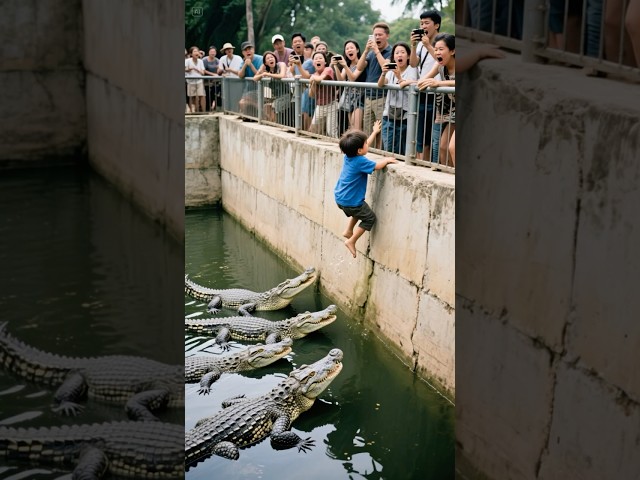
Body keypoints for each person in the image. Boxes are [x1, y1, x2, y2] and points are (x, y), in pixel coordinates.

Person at [334, 121, 398, 258]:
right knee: (369, 218)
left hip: (340, 198)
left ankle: (349, 230)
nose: (367, 144)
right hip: (350, 201)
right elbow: (378, 166)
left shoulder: (349, 156)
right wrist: (386, 160)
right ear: (359, 150)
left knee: (360, 208)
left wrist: (374, 132)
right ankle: (351, 241)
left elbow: (364, 145)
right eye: (365, 144)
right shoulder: (360, 161)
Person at [418, 33, 456, 167]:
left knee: (452, 148)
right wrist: (407, 81)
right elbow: (423, 80)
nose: (437, 52)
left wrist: (440, 83)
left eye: (441, 49)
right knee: (443, 148)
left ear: (452, 51)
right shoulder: (439, 65)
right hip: (450, 110)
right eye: (435, 49)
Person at [409, 10, 442, 161]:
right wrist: (414, 46)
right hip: (422, 92)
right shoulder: (422, 45)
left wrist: (429, 45)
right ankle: (421, 162)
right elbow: (413, 63)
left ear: (437, 25)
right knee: (420, 134)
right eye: (421, 23)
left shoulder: (443, 42)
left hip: (437, 93)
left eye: (426, 23)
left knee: (433, 135)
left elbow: (443, 61)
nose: (423, 26)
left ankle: (431, 164)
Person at [356, 22, 393, 146]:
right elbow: (359, 67)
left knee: (381, 132)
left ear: (387, 36)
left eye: (380, 35)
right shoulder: (370, 53)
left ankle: (380, 155)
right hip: (368, 97)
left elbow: (385, 67)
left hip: (382, 97)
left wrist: (376, 51)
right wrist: (366, 51)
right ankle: (369, 154)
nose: (377, 37)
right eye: (374, 35)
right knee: (368, 131)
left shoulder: (391, 51)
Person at [377, 42, 418, 155]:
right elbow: (380, 84)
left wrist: (399, 77)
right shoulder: (391, 70)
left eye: (402, 52)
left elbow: (412, 84)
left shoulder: (412, 69)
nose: (399, 55)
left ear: (408, 56)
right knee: (388, 148)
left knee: (401, 150)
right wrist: (384, 73)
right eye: (396, 53)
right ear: (393, 56)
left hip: (404, 117)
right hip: (389, 115)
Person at [333, 39, 366, 132]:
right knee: (351, 125)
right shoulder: (347, 64)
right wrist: (336, 66)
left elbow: (352, 78)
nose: (349, 50)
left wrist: (345, 66)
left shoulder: (362, 62)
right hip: (349, 97)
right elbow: (341, 80)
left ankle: (359, 145)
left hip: (360, 98)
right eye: (347, 49)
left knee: (356, 127)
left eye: (351, 48)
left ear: (357, 50)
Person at [309, 51, 338, 137]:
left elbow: (320, 78)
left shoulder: (328, 69)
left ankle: (336, 148)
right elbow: (311, 95)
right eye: (316, 59)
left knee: (331, 132)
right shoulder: (314, 74)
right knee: (313, 129)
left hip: (331, 104)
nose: (318, 60)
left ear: (325, 62)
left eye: (320, 58)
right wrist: (312, 83)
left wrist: (313, 78)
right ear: (313, 63)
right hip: (320, 106)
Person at [253, 51, 288, 122]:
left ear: (275, 58)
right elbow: (255, 78)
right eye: (268, 58)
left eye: (272, 57)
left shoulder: (281, 64)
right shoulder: (265, 69)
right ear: (265, 63)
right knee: (266, 107)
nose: (270, 59)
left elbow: (282, 75)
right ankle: (272, 124)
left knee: (274, 107)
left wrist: (268, 74)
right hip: (276, 96)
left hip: (286, 94)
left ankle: (275, 125)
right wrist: (262, 71)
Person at [238, 41, 264, 116]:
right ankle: (250, 117)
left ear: (253, 50)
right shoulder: (244, 61)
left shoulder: (260, 59)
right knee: (242, 103)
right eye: (245, 50)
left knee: (255, 104)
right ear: (243, 53)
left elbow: (259, 75)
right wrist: (245, 65)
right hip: (249, 88)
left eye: (249, 49)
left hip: (261, 87)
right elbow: (240, 75)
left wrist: (251, 64)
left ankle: (261, 117)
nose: (248, 51)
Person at [185, 46, 206, 113]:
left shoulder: (200, 61)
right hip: (190, 81)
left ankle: (203, 111)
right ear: (191, 54)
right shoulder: (187, 61)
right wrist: (189, 69)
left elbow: (203, 72)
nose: (196, 53)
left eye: (197, 51)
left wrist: (197, 70)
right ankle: (193, 111)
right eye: (195, 51)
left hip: (199, 80)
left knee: (201, 95)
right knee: (192, 97)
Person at [202, 46, 220, 112]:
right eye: (211, 52)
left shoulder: (217, 60)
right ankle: (206, 108)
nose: (213, 53)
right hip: (206, 81)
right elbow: (203, 70)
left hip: (215, 81)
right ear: (208, 52)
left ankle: (214, 108)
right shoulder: (204, 60)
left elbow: (219, 68)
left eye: (214, 52)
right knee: (207, 94)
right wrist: (212, 74)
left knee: (214, 94)